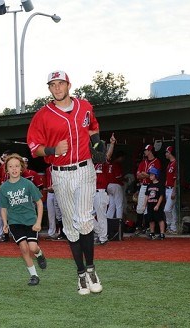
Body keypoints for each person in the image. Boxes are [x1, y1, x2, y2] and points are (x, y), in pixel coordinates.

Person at [27, 70, 103, 295]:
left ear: (69, 85)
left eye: (61, 83)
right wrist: (52, 150)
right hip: (60, 173)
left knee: (85, 219)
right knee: (70, 226)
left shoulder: (85, 106)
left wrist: (97, 145)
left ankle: (91, 270)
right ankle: (80, 274)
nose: (57, 88)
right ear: (49, 88)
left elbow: (93, 128)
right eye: (53, 84)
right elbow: (33, 148)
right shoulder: (42, 115)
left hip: (84, 169)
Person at [0, 154, 47, 286]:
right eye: (10, 166)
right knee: (24, 248)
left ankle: (39, 254)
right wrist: (5, 223)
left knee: (32, 247)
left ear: (21, 168)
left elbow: (39, 203)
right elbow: (3, 208)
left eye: (16, 166)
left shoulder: (28, 184)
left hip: (30, 220)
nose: (14, 169)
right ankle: (34, 275)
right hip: (14, 222)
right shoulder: (3, 188)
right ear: (6, 170)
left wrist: (38, 222)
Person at [94, 133, 116, 245]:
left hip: (101, 192)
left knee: (101, 215)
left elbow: (108, 155)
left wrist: (112, 144)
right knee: (85, 215)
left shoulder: (103, 161)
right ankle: (100, 233)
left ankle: (103, 237)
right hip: (91, 192)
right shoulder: (91, 162)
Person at [135, 144, 162, 235]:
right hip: (143, 185)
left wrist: (145, 174)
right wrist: (147, 174)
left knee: (149, 207)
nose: (145, 152)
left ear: (150, 151)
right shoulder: (143, 162)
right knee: (140, 207)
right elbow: (138, 174)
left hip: (152, 186)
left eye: (146, 150)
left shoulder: (156, 161)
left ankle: (147, 227)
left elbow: (155, 175)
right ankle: (139, 227)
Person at [142, 167, 165, 240]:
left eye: (152, 175)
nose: (150, 176)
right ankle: (152, 233)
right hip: (150, 204)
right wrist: (144, 205)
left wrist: (158, 205)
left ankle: (162, 234)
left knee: (160, 219)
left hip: (157, 204)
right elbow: (147, 196)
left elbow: (161, 196)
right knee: (151, 219)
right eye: (150, 175)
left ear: (155, 175)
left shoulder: (160, 185)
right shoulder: (149, 185)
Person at [44, 164, 62, 240]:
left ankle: (61, 232)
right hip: (50, 192)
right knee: (51, 213)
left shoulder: (61, 167)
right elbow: (46, 180)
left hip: (59, 191)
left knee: (60, 213)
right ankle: (51, 232)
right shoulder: (48, 169)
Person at [164, 146, 178, 234]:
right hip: (167, 188)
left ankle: (169, 225)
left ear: (170, 153)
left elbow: (176, 179)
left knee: (167, 209)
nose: (166, 154)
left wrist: (174, 190)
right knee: (172, 210)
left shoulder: (175, 163)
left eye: (167, 152)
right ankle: (173, 228)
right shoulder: (169, 163)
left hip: (172, 189)